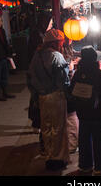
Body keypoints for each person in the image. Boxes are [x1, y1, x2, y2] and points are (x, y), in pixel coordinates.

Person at [28, 29, 70, 171]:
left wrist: (36, 94)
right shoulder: (56, 56)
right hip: (56, 96)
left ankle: (49, 156)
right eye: (61, 42)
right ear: (56, 43)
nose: (62, 45)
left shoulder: (37, 56)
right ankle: (58, 158)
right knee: (58, 127)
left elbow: (30, 78)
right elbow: (63, 80)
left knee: (46, 127)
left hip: (42, 97)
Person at [70, 45, 101, 175]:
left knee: (84, 138)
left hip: (82, 111)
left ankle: (85, 164)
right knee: (99, 138)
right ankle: (99, 165)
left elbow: (71, 90)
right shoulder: (97, 72)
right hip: (96, 110)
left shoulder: (78, 72)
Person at [27, 11, 53, 153]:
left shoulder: (41, 34)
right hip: (38, 77)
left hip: (38, 77)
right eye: (50, 22)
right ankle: (37, 127)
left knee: (39, 105)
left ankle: (37, 126)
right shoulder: (38, 36)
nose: (51, 25)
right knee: (38, 105)